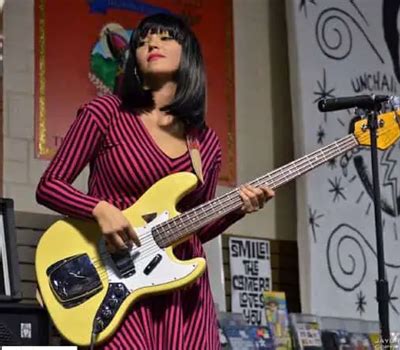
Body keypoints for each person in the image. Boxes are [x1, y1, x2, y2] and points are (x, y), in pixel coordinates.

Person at [36, 12, 274, 349]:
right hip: (118, 278)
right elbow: (49, 185)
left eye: (165, 37)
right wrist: (98, 208)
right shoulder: (105, 113)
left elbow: (197, 229)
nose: (151, 43)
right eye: (144, 40)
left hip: (183, 296)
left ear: (187, 54)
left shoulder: (204, 142)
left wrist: (239, 208)